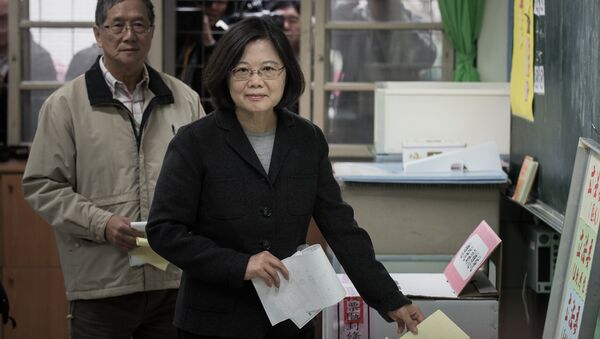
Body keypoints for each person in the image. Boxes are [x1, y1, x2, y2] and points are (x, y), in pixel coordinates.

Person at [146, 16, 424, 339]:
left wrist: (391, 298)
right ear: (225, 76)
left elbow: (342, 228)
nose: (256, 81)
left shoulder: (308, 140)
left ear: (286, 74)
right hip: (213, 324)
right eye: (242, 70)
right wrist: (240, 265)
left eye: (268, 68)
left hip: (290, 321)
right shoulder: (194, 142)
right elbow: (164, 231)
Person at [22, 0, 204, 338]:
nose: (128, 35)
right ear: (98, 33)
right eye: (117, 25)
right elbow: (42, 185)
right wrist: (102, 224)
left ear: (151, 32)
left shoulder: (186, 100)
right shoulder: (64, 106)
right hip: (101, 286)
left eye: (138, 25)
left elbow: (207, 181)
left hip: (174, 282)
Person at [328, 0, 437, 143]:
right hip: (355, 112)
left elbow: (428, 55)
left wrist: (399, 19)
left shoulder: (414, 22)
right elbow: (329, 29)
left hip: (400, 111)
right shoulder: (350, 17)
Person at [177, 0, 235, 112]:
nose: (213, 7)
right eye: (207, 2)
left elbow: (220, 77)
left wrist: (208, 42)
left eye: (220, 2)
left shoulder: (225, 35)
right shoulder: (180, 33)